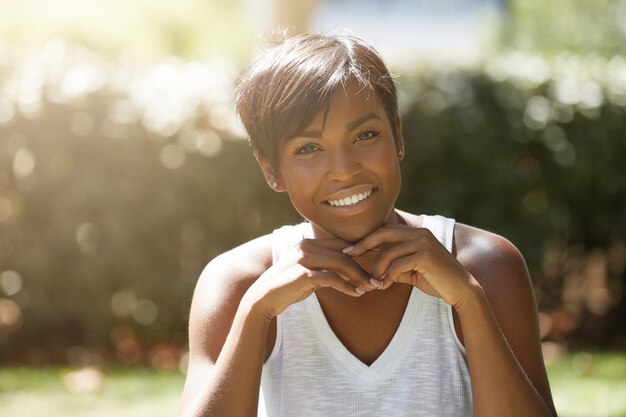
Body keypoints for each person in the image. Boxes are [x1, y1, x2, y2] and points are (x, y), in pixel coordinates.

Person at [179, 32, 558, 417]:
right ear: (272, 171)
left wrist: (469, 301)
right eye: (308, 149)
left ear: (397, 135)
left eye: (365, 135)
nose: (344, 171)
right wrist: (254, 313)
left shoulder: (485, 266)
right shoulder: (240, 281)